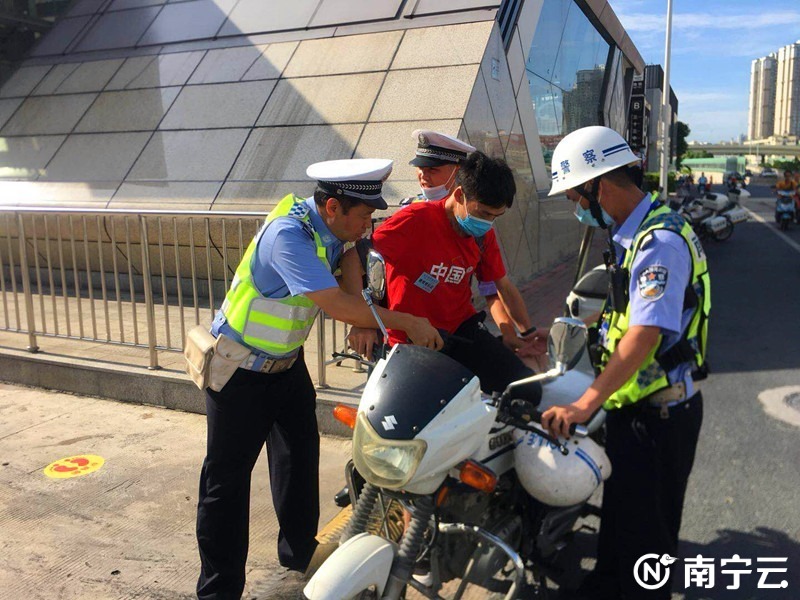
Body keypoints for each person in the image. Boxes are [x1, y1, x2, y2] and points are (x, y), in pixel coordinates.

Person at [194, 159, 443, 600]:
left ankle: (298, 551)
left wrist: (362, 313)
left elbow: (349, 257)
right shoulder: (289, 237)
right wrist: (402, 319)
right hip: (239, 374)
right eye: (363, 217)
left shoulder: (327, 228)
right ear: (332, 206)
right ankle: (219, 590)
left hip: (287, 369)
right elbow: (333, 303)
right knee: (226, 487)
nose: (368, 226)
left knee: (298, 461)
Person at [539, 126, 711, 600]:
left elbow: (644, 335)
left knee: (646, 544)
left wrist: (583, 405)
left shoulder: (659, 242)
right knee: (619, 520)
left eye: (577, 194)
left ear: (600, 185)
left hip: (659, 416)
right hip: (634, 408)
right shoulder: (633, 232)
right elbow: (627, 313)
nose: (577, 205)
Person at [343, 151, 541, 396]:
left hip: (460, 331)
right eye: (483, 213)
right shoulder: (414, 221)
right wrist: (361, 321)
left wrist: (520, 333)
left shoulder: (483, 235)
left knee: (526, 391)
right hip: (409, 340)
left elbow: (500, 287)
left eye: (495, 217)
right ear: (459, 195)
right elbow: (352, 260)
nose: (488, 223)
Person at [400, 129, 537, 353]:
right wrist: (364, 322)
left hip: (454, 333)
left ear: (457, 174)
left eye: (432, 170)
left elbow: (495, 287)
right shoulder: (408, 215)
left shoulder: (477, 226)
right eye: (420, 169)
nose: (424, 176)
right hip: (407, 337)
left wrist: (514, 333)